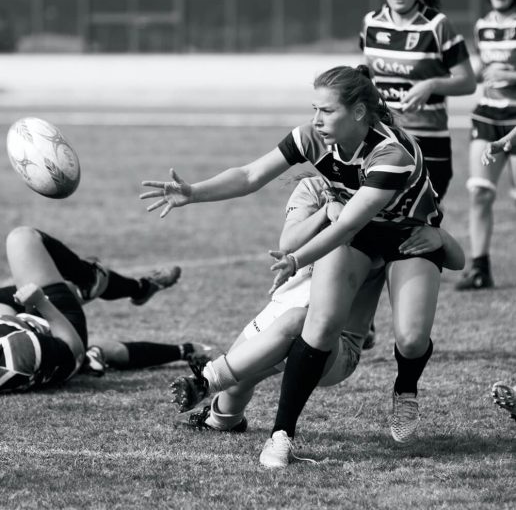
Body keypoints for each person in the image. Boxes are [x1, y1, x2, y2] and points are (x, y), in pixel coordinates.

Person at [141, 64, 456, 466]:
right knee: (316, 324)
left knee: (411, 339)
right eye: (314, 109)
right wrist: (193, 192)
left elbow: (347, 224)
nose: (316, 120)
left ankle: (406, 390)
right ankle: (280, 435)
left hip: (406, 235)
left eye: (326, 111)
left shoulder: (390, 153)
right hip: (355, 233)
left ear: (358, 112)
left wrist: (296, 258)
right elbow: (251, 174)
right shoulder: (311, 138)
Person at [167, 176, 464, 464]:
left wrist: (439, 235)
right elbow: (288, 242)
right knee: (235, 390)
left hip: (336, 345)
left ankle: (205, 381)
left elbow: (454, 259)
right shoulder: (314, 186)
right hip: (277, 314)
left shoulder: (384, 199)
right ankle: (220, 417)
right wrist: (326, 211)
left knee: (299, 321)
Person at [0, 226, 208, 392]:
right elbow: (74, 349)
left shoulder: (21, 350)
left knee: (105, 349)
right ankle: (90, 281)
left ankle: (140, 289)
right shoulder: (16, 351)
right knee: (22, 239)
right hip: (62, 330)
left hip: (32, 333)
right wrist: (41, 303)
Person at [360, 0, 476, 201]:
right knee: (373, 224)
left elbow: (468, 82)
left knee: (420, 228)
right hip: (383, 135)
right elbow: (367, 72)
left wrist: (431, 84)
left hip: (428, 141)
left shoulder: (436, 25)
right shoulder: (371, 23)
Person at [456, 0, 516, 290]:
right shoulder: (482, 25)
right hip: (487, 117)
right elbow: (482, 68)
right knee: (479, 192)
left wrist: (512, 77)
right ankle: (480, 269)